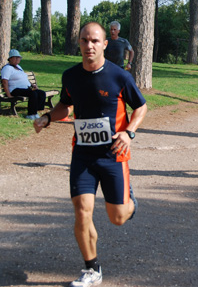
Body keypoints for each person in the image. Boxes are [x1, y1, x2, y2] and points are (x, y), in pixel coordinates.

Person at [33, 22, 147, 287]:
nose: (89, 46)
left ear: (105, 44)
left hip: (113, 155)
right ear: (80, 44)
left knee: (117, 218)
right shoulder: (71, 76)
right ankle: (92, 269)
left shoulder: (120, 76)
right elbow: (65, 105)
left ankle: (130, 201)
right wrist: (48, 117)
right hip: (83, 155)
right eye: (84, 41)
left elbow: (140, 108)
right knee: (82, 211)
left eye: (95, 41)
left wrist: (128, 132)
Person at [0, 49, 47, 120]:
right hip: (15, 89)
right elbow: (4, 81)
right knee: (33, 94)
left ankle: (35, 111)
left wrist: (32, 85)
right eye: (16, 57)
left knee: (41, 93)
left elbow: (24, 78)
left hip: (25, 88)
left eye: (19, 58)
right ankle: (31, 114)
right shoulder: (7, 68)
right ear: (10, 58)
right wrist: (8, 94)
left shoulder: (19, 67)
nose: (18, 59)